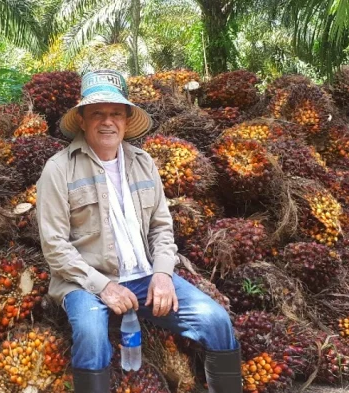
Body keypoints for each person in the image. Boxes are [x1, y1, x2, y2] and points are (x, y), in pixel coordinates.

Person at [36, 69, 241, 392]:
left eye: (116, 113)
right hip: (85, 282)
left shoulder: (143, 162)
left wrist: (162, 273)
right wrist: (104, 286)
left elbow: (161, 227)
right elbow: (54, 246)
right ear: (83, 120)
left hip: (145, 277)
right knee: (91, 335)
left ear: (127, 120)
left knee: (215, 320)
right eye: (98, 113)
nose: (108, 122)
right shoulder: (59, 169)